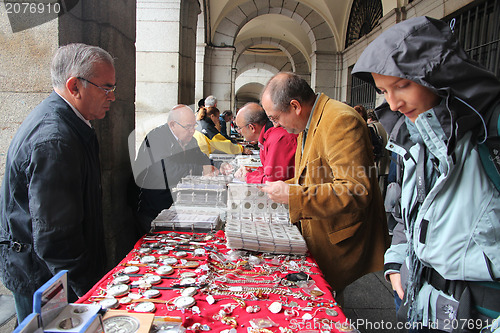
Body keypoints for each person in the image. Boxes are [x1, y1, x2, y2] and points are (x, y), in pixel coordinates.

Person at [352, 16, 500, 331]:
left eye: (402, 85)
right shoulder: (411, 138)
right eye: (383, 91)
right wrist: (395, 265)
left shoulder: (491, 134)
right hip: (421, 300)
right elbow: (408, 216)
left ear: (437, 75)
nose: (393, 103)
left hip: (483, 309)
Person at [0, 43, 116, 322]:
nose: (113, 97)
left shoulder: (70, 122)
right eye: (107, 88)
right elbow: (56, 237)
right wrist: (90, 293)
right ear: (75, 86)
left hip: (48, 271)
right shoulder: (55, 139)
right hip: (44, 276)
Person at [260, 72, 390, 301]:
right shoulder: (308, 122)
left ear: (295, 106)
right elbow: (314, 175)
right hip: (319, 229)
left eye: (275, 118)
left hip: (339, 238)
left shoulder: (340, 120)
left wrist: (292, 194)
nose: (276, 125)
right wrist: (285, 185)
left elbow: (355, 190)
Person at [133, 105, 217, 234]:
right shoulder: (155, 138)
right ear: (172, 125)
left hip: (176, 206)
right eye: (188, 127)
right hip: (152, 206)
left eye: (194, 126)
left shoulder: (190, 140)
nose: (192, 131)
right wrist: (200, 170)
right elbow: (165, 171)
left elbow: (202, 159)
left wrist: (218, 165)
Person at [233, 102, 297, 183]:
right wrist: (252, 173)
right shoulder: (266, 137)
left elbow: (273, 181)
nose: (239, 132)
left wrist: (247, 177)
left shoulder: (277, 139)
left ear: (251, 127)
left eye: (239, 128)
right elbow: (268, 169)